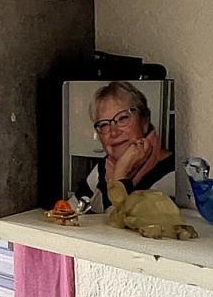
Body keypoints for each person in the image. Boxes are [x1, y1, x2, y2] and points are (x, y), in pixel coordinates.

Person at [74, 80, 174, 211]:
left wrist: (120, 174)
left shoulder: (170, 177)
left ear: (144, 121)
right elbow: (71, 209)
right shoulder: (104, 169)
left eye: (123, 118)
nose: (114, 132)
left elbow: (119, 220)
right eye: (104, 125)